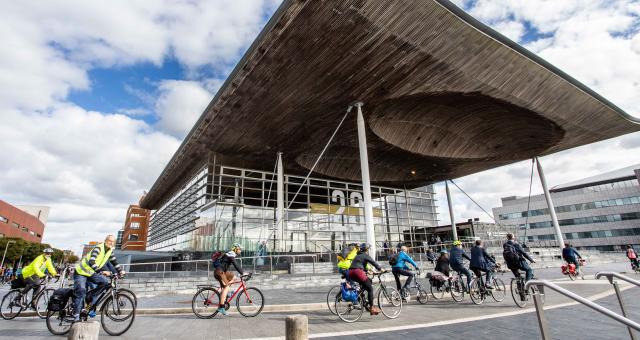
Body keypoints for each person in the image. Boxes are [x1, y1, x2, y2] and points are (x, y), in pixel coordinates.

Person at [73, 235, 124, 321]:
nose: (111, 243)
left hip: (91, 273)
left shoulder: (110, 251)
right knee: (81, 290)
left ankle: (90, 296)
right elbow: (91, 261)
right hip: (81, 272)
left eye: (113, 241)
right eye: (109, 241)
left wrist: (120, 271)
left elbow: (114, 262)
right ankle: (76, 315)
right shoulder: (98, 248)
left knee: (105, 282)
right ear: (105, 240)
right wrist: (100, 271)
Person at [348, 243, 384, 315]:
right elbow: (373, 262)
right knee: (370, 289)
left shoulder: (358, 256)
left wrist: (368, 271)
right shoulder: (365, 255)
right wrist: (380, 269)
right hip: (357, 272)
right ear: (366, 249)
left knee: (367, 282)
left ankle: (362, 300)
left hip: (351, 272)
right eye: (368, 249)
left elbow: (362, 266)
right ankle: (372, 308)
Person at [214, 243, 246, 316]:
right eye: (240, 249)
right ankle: (221, 307)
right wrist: (242, 273)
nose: (240, 251)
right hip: (220, 273)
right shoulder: (231, 255)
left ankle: (225, 293)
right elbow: (235, 264)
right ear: (236, 249)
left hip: (221, 272)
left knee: (233, 277)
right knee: (226, 287)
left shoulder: (230, 254)